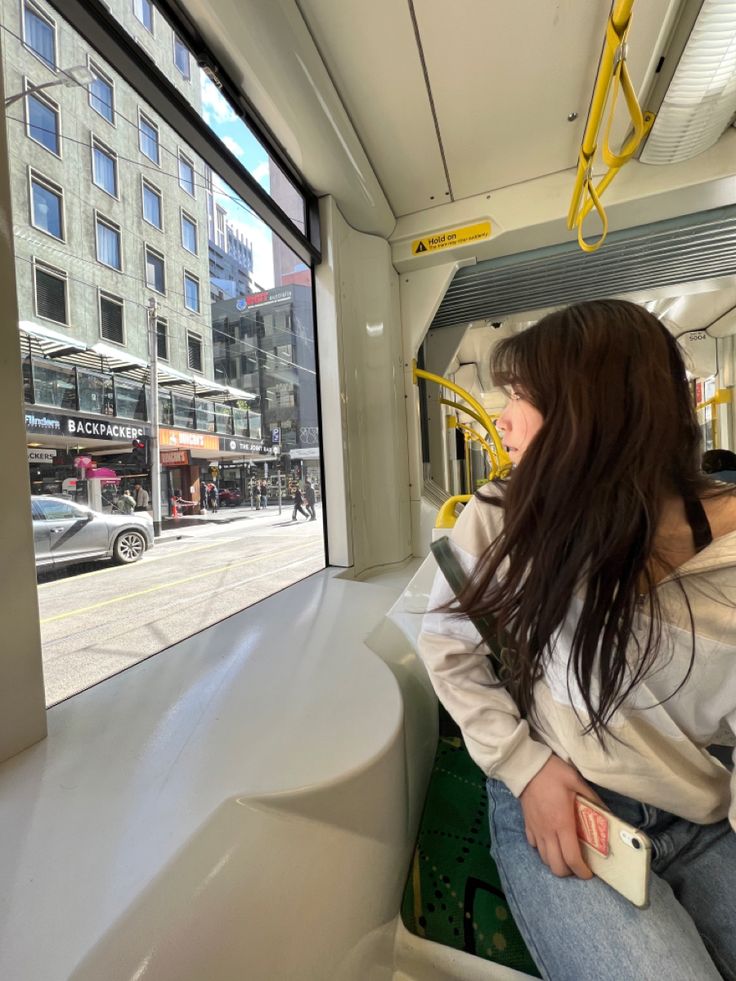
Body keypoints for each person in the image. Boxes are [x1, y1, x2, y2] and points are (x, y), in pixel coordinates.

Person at [418, 299, 736, 981]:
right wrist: (524, 769)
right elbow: (445, 643)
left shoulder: (729, 545)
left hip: (705, 814)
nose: (500, 418)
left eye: (520, 397)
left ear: (592, 412)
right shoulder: (504, 516)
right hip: (567, 796)